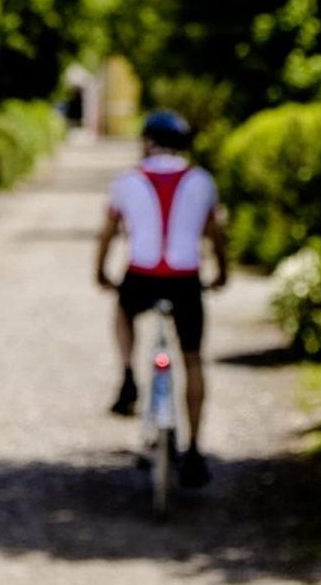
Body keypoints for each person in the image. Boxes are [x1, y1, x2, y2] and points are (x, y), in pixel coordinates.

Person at [95, 109, 228, 488]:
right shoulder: (202, 180)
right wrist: (221, 273)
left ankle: (127, 374)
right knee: (193, 359)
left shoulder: (127, 180)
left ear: (146, 142)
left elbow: (108, 232)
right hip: (186, 281)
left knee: (122, 310)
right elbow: (215, 234)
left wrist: (101, 272)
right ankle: (196, 447)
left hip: (141, 277)